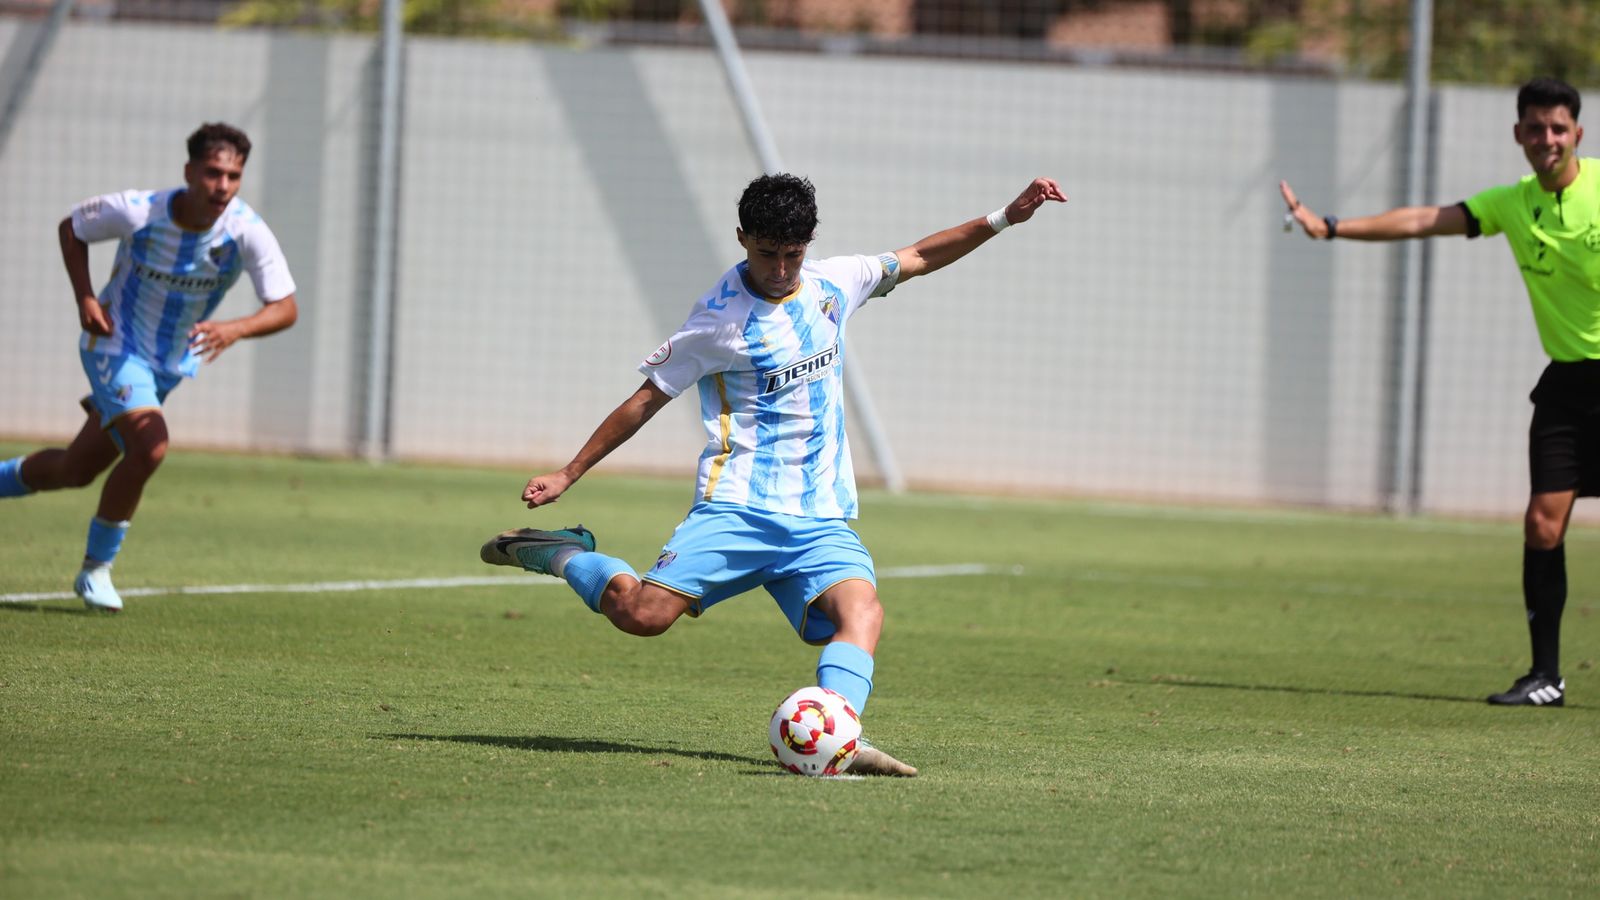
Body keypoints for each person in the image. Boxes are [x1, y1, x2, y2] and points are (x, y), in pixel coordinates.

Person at [481, 173, 1067, 774]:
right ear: (742, 238)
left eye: (793, 253)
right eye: (767, 253)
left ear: (808, 243)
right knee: (641, 617)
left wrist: (1003, 219)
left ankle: (837, 734)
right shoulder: (717, 321)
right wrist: (569, 472)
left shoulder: (833, 283)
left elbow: (917, 255)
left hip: (818, 517)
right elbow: (645, 400)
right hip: (738, 508)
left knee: (861, 613)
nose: (782, 268)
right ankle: (559, 552)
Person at [1280, 76, 1593, 708]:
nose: (1547, 139)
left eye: (1558, 128)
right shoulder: (1512, 203)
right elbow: (1425, 219)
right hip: (1567, 386)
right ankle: (1546, 678)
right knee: (1541, 525)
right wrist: (1331, 226)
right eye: (1535, 128)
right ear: (1518, 135)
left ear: (1578, 134)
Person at [0, 122, 298, 612]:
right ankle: (95, 570)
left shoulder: (246, 230)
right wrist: (85, 296)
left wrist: (235, 328)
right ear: (189, 171)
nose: (222, 186)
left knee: (76, 470)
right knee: (151, 446)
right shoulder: (139, 211)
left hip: (166, 367)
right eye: (213, 173)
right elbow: (72, 228)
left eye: (233, 176)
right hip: (114, 346)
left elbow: (285, 307)